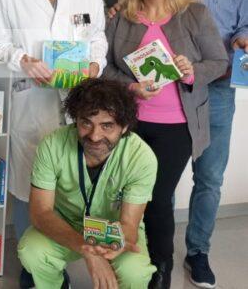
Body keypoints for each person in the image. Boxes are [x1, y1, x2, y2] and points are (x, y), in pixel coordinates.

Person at [0, 0, 107, 286]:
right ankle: (33, 265)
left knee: (76, 180)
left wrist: (94, 64)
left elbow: (98, 36)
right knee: (29, 183)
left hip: (79, 97)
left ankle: (71, 256)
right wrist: (24, 60)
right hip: (31, 98)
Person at [101, 0, 227, 288]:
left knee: (156, 198)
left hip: (176, 126)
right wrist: (131, 87)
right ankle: (129, 264)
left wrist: (189, 71)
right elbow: (104, 69)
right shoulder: (121, 16)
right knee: (125, 194)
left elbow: (218, 62)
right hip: (131, 123)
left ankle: (161, 269)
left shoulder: (194, 14)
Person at [18, 78, 158, 289]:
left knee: (135, 272)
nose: (94, 136)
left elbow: (129, 226)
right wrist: (87, 249)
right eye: (86, 123)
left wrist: (109, 248)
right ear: (75, 120)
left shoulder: (141, 158)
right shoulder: (52, 145)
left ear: (124, 126)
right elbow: (40, 213)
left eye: (107, 126)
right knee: (31, 250)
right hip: (66, 224)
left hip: (114, 230)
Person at [171, 0, 248, 288]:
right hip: (167, 88)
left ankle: (198, 252)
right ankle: (156, 252)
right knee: (157, 177)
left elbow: (247, 22)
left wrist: (242, 38)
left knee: (210, 178)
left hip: (216, 87)